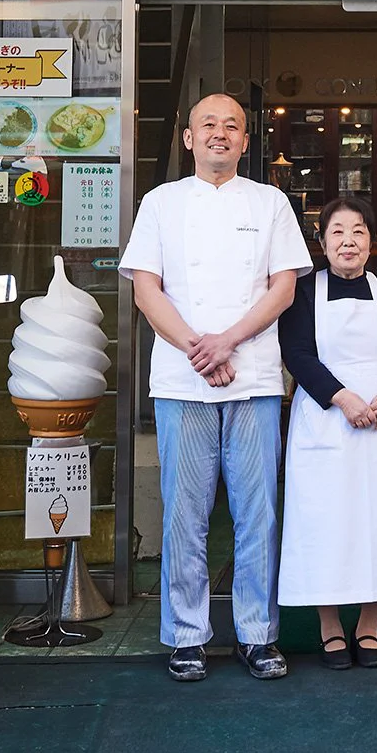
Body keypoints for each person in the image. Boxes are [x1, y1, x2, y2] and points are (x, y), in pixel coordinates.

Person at [119, 93, 312, 683]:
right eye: (209, 125)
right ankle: (186, 635)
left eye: (232, 126)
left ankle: (258, 634)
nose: (220, 134)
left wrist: (225, 341)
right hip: (183, 379)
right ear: (188, 138)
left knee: (259, 512)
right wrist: (198, 348)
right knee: (185, 512)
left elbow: (282, 290)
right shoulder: (159, 202)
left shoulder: (271, 201)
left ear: (247, 141)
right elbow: (146, 291)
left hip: (252, 375)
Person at [277, 196, 377, 669]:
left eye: (359, 231)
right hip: (327, 419)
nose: (349, 241)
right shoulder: (303, 293)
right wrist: (342, 397)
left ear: (371, 241)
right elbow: (297, 353)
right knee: (326, 523)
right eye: (338, 231)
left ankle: (369, 625)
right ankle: (328, 626)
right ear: (322, 242)